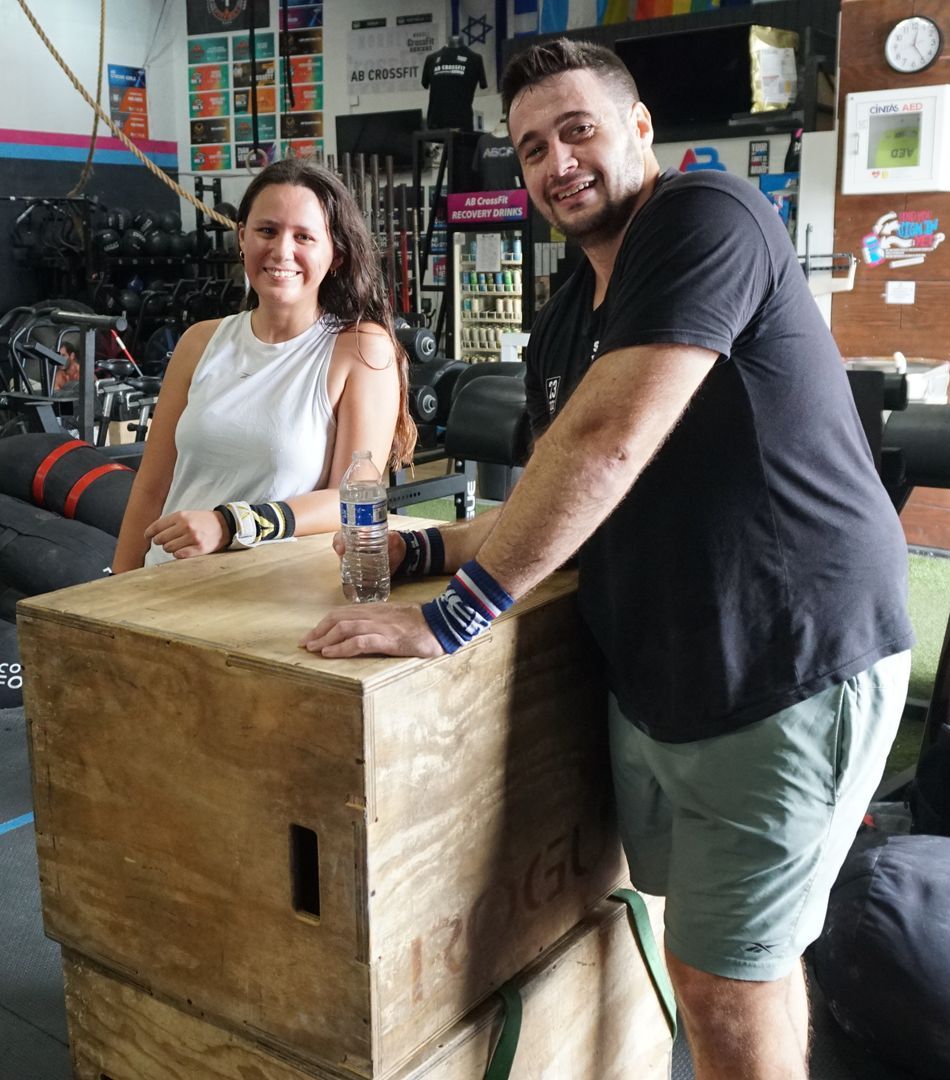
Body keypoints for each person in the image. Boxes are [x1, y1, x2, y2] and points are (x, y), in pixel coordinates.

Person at [301, 38, 913, 1080]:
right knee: (729, 957)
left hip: (784, 666)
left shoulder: (704, 217)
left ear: (640, 129)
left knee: (726, 989)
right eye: (532, 147)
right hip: (670, 679)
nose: (555, 163)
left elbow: (607, 444)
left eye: (578, 130)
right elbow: (555, 493)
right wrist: (412, 548)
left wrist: (451, 617)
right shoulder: (565, 321)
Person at [111, 158, 412, 572]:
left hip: (265, 594)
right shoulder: (199, 342)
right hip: (164, 582)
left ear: (336, 254)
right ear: (242, 238)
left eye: (304, 236)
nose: (281, 251)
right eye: (267, 231)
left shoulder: (360, 349)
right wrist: (116, 587)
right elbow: (150, 488)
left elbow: (351, 499)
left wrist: (232, 524)